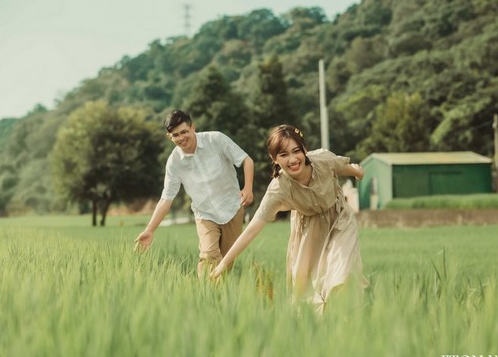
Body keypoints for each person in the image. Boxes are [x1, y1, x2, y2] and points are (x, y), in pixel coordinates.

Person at [211, 125, 368, 313]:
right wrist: (221, 266)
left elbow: (346, 168)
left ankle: (348, 319)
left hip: (340, 218)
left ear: (305, 150)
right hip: (308, 229)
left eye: (296, 151)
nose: (293, 160)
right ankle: (322, 327)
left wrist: (358, 172)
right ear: (274, 159)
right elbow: (252, 229)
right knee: (306, 289)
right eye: (284, 154)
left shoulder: (324, 160)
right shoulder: (278, 189)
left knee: (342, 272)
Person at [135, 110, 254, 276]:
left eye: (184, 132)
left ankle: (217, 298)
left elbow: (246, 160)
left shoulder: (216, 139)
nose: (181, 138)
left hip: (232, 208)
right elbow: (166, 199)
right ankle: (204, 294)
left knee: (226, 263)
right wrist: (149, 230)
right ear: (170, 137)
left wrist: (248, 188)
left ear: (193, 127)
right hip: (204, 214)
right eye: (176, 135)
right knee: (208, 256)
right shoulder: (174, 162)